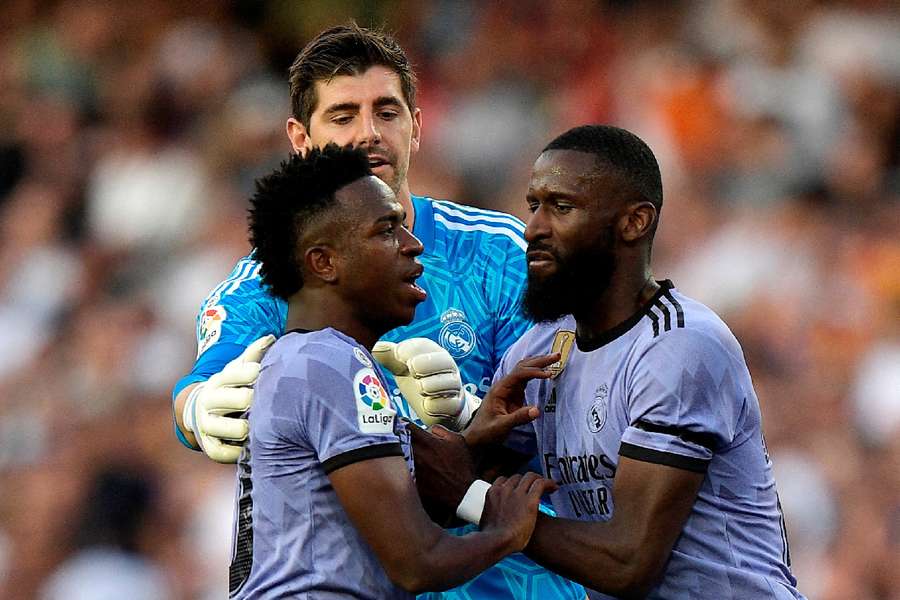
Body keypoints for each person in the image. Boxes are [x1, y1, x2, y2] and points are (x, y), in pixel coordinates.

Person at [171, 23, 585, 600]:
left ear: (416, 125)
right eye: (343, 117)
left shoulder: (502, 254)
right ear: (300, 137)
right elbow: (206, 387)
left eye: (387, 112)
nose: (369, 134)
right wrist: (195, 412)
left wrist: (469, 411)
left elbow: (573, 416)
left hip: (510, 584)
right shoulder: (264, 287)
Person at [416, 125, 806, 599]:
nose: (535, 228)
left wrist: (476, 501)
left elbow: (629, 561)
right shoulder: (542, 350)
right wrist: (469, 430)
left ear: (634, 222)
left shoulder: (680, 347)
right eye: (533, 205)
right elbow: (446, 494)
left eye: (562, 207)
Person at [230, 144, 555, 599]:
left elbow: (384, 514)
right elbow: (417, 563)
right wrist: (506, 530)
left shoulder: (310, 360)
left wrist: (474, 438)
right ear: (323, 262)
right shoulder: (327, 362)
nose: (413, 244)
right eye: (387, 230)